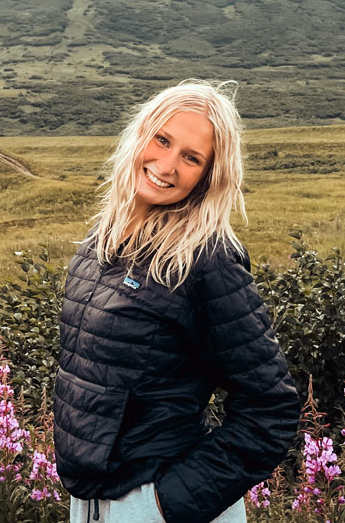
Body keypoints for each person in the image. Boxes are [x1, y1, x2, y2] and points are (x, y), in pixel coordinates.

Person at [52, 79, 301, 523]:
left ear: (208, 176)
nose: (166, 166)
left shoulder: (207, 260)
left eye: (191, 158)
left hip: (152, 502)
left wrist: (163, 507)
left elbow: (271, 408)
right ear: (140, 135)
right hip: (91, 502)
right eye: (162, 140)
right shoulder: (100, 240)